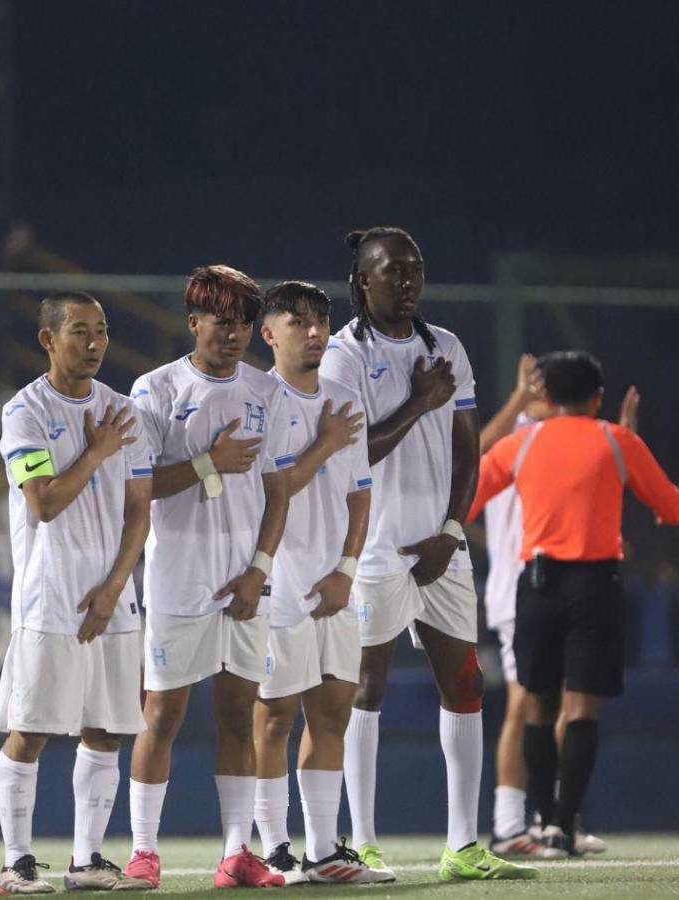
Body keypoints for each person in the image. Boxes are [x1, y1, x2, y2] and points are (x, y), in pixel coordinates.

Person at [319, 226, 535, 882]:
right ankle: (362, 840)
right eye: (393, 271)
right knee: (367, 688)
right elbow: (353, 450)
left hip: (440, 545)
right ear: (363, 281)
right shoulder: (342, 356)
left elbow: (469, 449)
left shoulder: (449, 347)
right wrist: (420, 401)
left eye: (415, 269)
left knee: (464, 684)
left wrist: (452, 529)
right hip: (373, 547)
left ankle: (462, 845)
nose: (408, 281)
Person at [469, 351, 679, 857]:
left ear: (545, 397)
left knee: (537, 708)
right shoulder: (616, 439)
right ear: (598, 398)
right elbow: (671, 507)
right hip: (595, 585)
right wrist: (626, 450)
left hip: (537, 585)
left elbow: (467, 497)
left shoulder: (520, 444)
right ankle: (567, 824)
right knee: (582, 708)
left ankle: (541, 823)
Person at [125, 265, 293, 890]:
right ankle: (144, 852)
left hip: (245, 584)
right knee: (161, 715)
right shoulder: (155, 390)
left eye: (245, 323)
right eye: (224, 323)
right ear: (194, 322)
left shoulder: (266, 391)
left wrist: (259, 570)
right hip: (178, 580)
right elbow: (138, 493)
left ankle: (236, 853)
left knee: (238, 716)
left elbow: (278, 495)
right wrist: (208, 463)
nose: (236, 335)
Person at [0, 292, 155, 894]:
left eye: (102, 331)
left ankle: (87, 860)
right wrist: (97, 451)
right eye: (79, 331)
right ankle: (16, 861)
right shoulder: (25, 412)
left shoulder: (123, 411)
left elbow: (139, 510)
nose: (94, 343)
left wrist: (115, 587)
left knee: (105, 727)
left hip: (112, 597)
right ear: (47, 340)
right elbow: (45, 502)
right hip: (50, 595)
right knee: (31, 729)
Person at [251, 281, 387, 884]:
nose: (314, 332)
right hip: (279, 583)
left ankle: (323, 849)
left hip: (336, 585)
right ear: (269, 332)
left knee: (332, 712)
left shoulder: (341, 396)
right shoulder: (258, 399)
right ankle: (273, 846)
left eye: (322, 320)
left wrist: (348, 570)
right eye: (298, 321)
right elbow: (272, 492)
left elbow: (361, 495)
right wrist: (326, 441)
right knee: (274, 714)